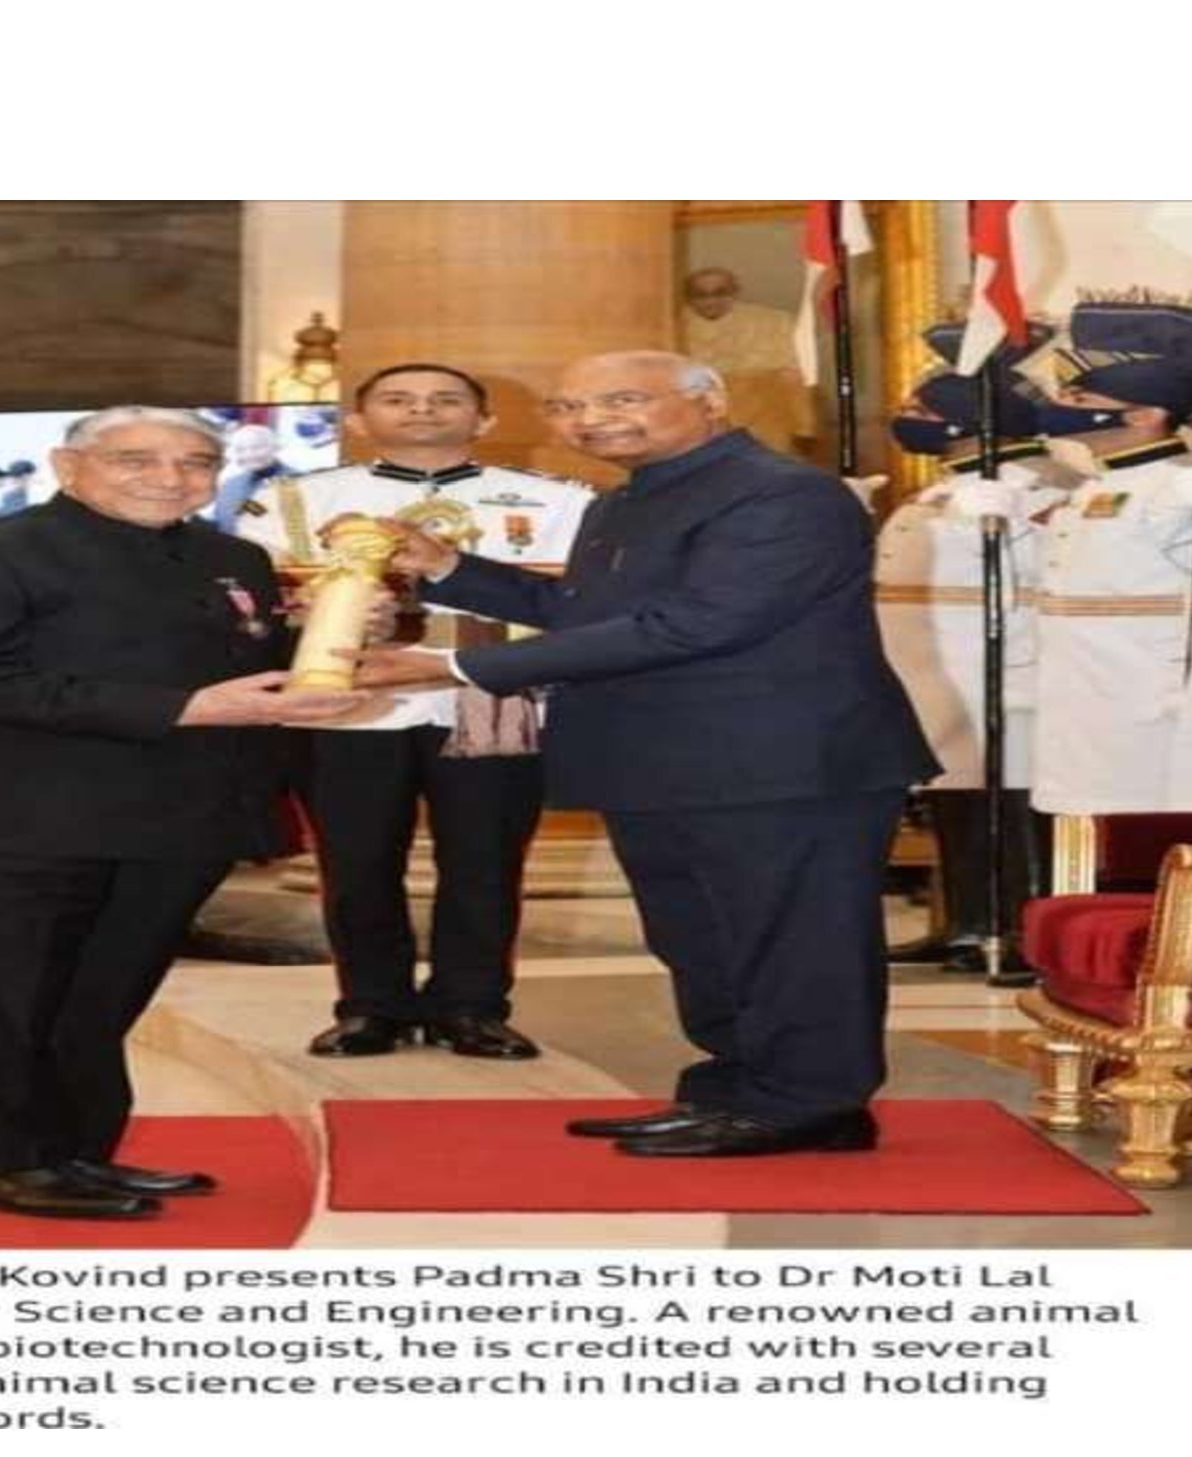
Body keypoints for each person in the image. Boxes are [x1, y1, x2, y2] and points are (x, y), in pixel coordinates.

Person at [352, 351, 938, 1156]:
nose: (591, 419)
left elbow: (699, 625)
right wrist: (452, 569)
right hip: (662, 762)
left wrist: (451, 667)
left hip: (780, 765)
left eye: (623, 398)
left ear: (711, 401)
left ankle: (812, 1101)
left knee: (792, 940)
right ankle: (733, 1089)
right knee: (700, 940)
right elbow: (579, 612)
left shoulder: (782, 495)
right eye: (568, 406)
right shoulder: (625, 502)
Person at [0, 406, 367, 1220]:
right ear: (68, 466)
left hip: (169, 821)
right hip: (4, 821)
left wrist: (329, 655)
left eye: (195, 461)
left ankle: (76, 1151)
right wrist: (182, 709)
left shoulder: (230, 556)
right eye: (136, 459)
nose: (170, 477)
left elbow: (236, 666)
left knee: (97, 1002)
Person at [234, 362, 593, 1060]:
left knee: (485, 859)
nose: (422, 410)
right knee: (356, 859)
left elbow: (579, 608)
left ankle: (473, 1006)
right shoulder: (293, 500)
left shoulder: (560, 502)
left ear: (484, 420)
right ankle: (370, 1005)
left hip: (490, 696)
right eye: (397, 399)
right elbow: (253, 604)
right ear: (358, 421)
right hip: (346, 698)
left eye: (444, 400)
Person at [876, 323, 1085, 974]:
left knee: (1010, 808)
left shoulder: (1035, 489)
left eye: (925, 409)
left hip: (1002, 678)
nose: (909, 419)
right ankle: (965, 919)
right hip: (936, 679)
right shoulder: (945, 487)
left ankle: (1020, 929)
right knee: (957, 804)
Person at [1025, 298, 1192, 816]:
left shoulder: (1177, 491)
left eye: (1080, 395)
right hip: (1082, 712)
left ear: (1147, 415)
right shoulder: (1100, 489)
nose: (1062, 405)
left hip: (1150, 718)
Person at [678, 266, 816, 456]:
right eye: (700, 294)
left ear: (734, 293)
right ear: (688, 297)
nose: (710, 300)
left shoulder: (772, 322)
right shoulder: (669, 326)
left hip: (763, 415)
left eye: (720, 293)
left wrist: (805, 428)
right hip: (700, 420)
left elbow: (792, 375)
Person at [210, 423, 295, 532]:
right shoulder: (230, 484)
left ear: (275, 447)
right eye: (240, 450)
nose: (249, 454)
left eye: (257, 447)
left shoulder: (299, 483)